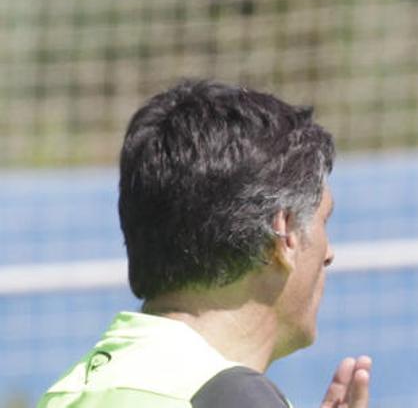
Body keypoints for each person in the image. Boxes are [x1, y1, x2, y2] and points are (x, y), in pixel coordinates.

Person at [37, 81, 371, 407]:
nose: (329, 253)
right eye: (323, 220)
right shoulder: (229, 396)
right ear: (284, 234)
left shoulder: (68, 392)